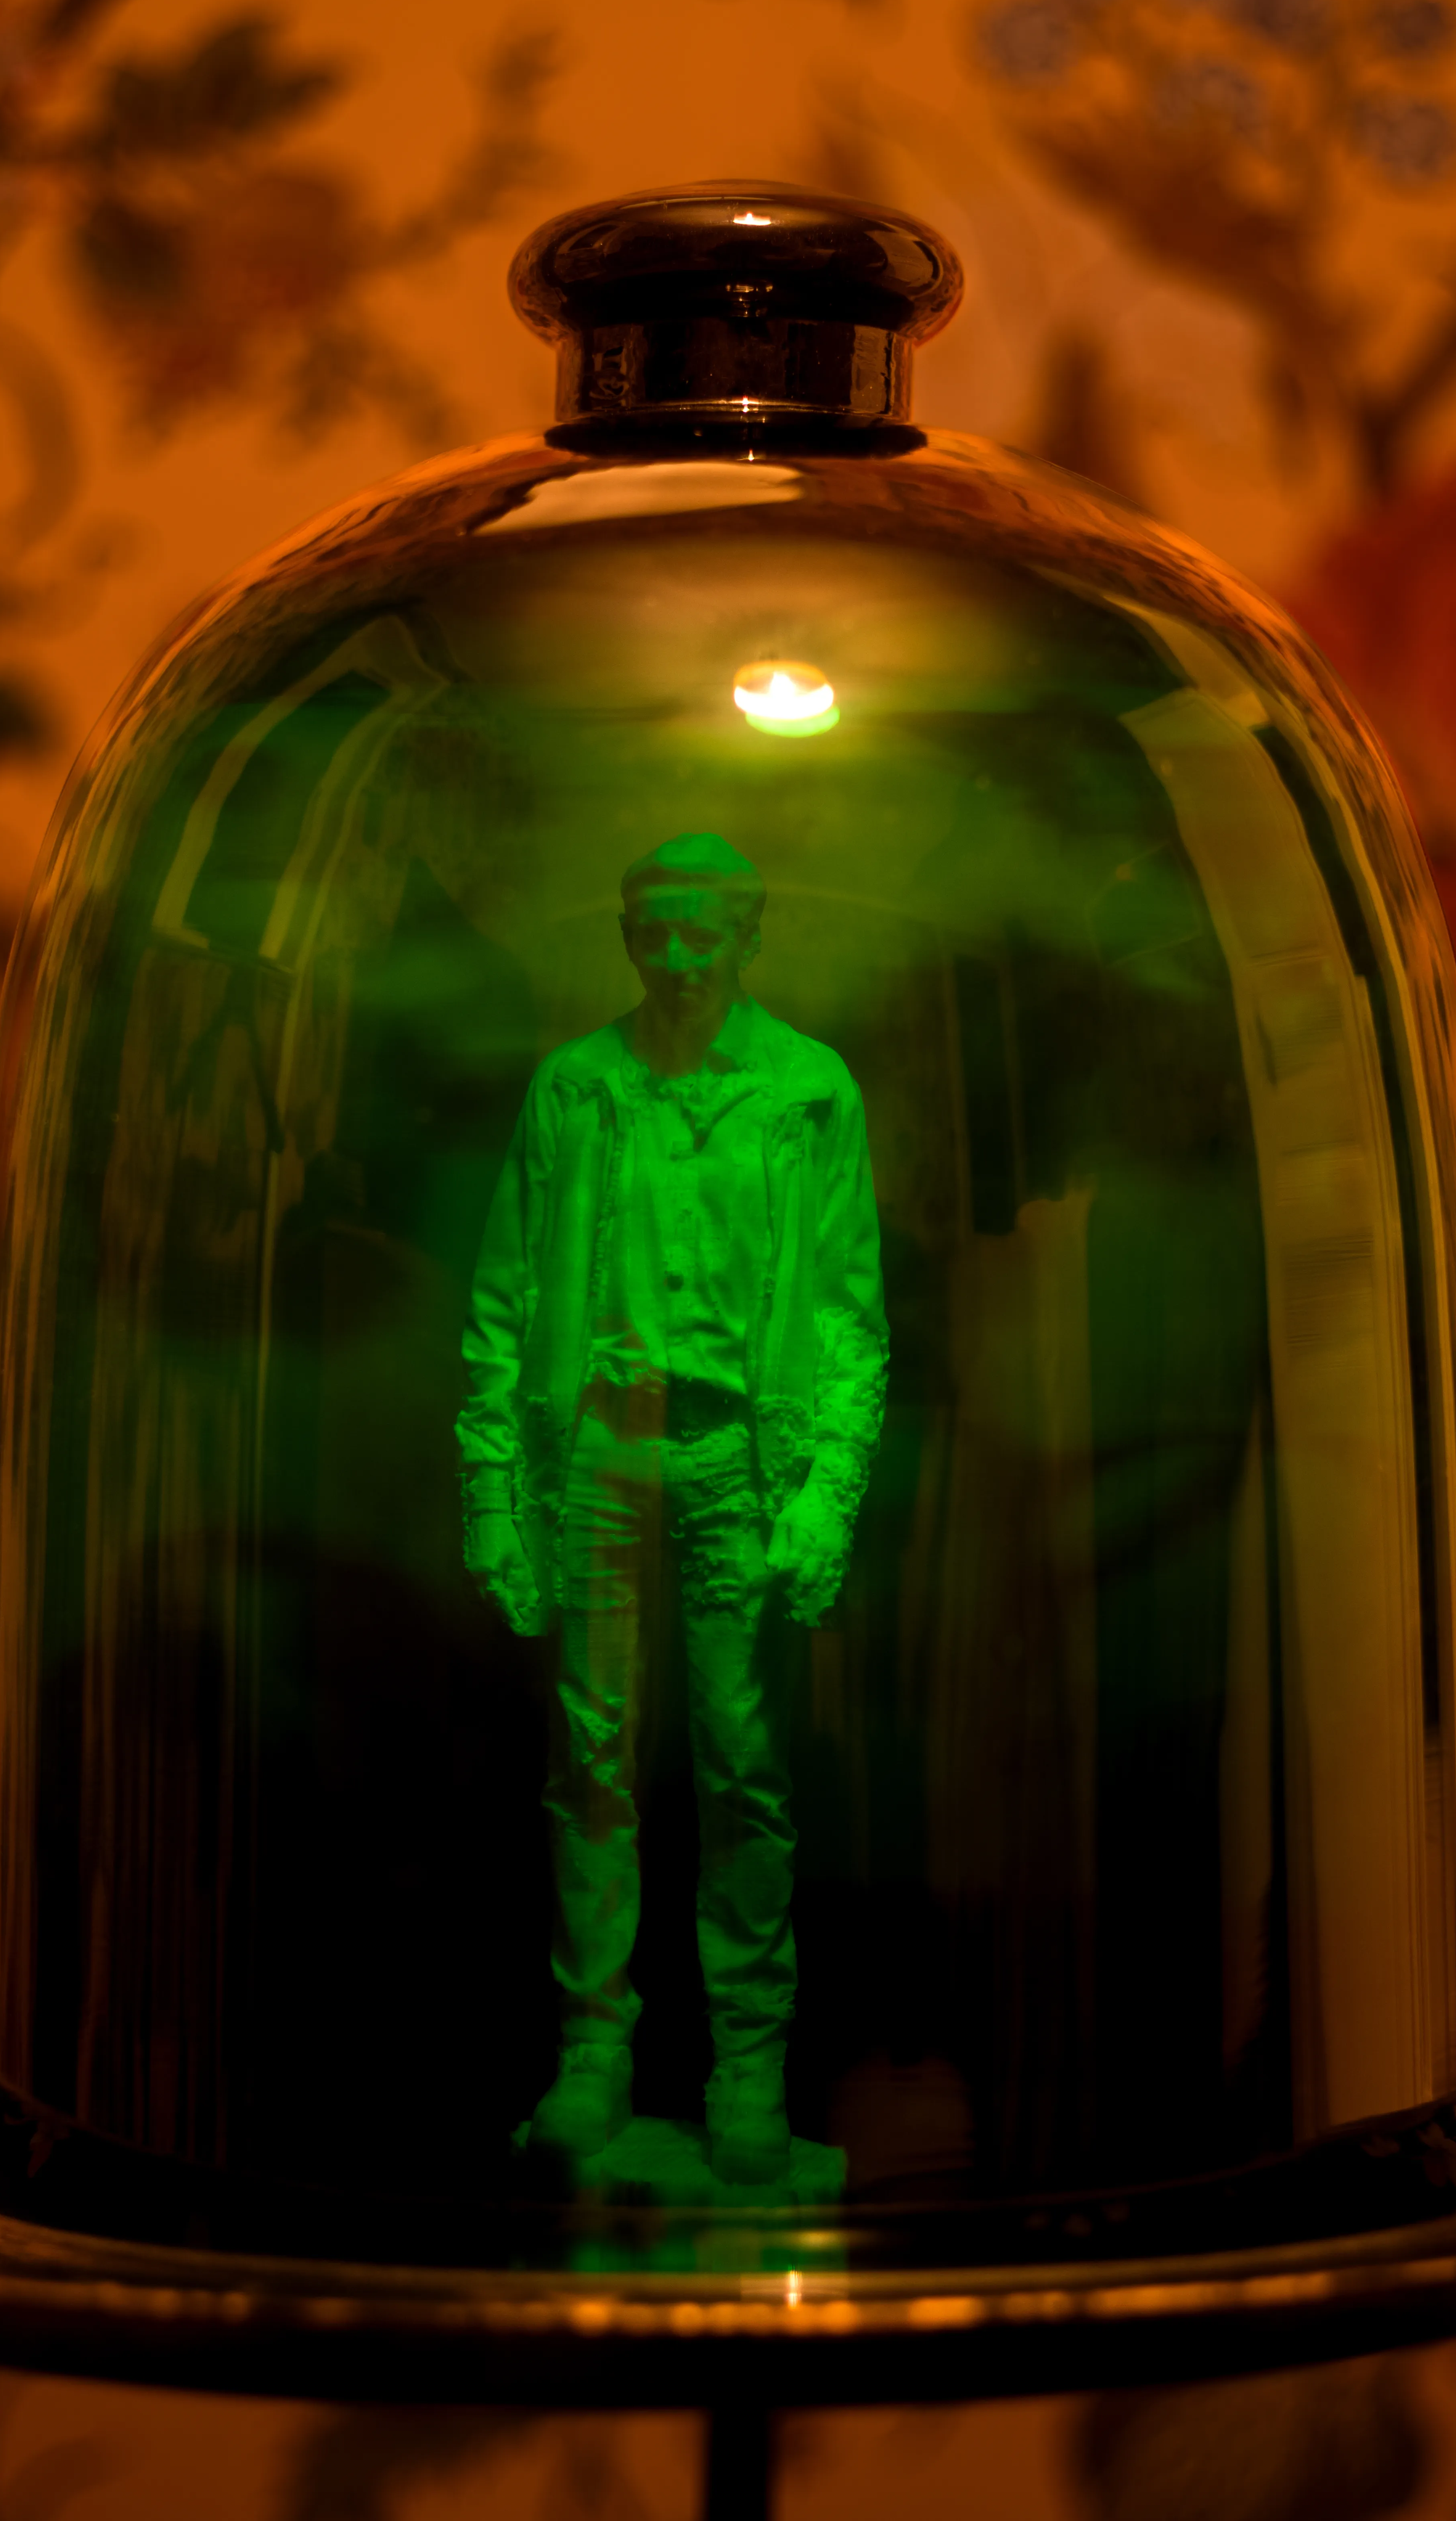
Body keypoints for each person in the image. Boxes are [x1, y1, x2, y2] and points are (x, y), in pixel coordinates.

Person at [456, 832, 886, 2187]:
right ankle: (594, 2057)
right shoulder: (578, 1089)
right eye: (656, 933)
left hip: (729, 1465)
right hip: (594, 1453)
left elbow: (848, 1319)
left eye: (705, 932)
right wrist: (490, 1497)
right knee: (590, 1764)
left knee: (741, 1765)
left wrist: (824, 1496)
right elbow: (502, 1302)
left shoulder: (809, 1093)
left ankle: (747, 2070)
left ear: (749, 935)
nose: (680, 958)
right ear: (627, 937)